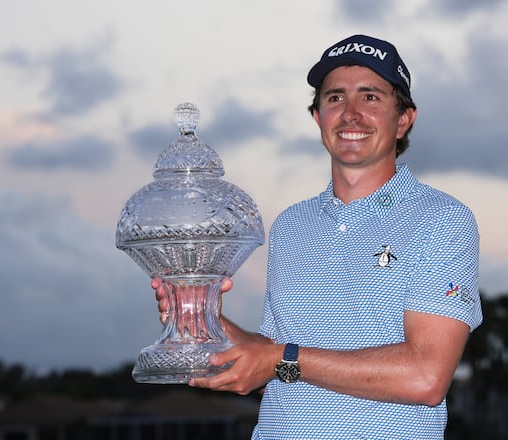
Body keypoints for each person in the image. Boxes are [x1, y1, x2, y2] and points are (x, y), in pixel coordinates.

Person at [153, 34, 482, 439]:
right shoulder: (291, 225)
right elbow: (270, 357)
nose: (351, 114)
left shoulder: (442, 219)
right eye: (335, 98)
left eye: (371, 98)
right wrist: (202, 315)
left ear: (403, 120)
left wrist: (279, 358)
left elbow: (425, 377)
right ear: (318, 118)